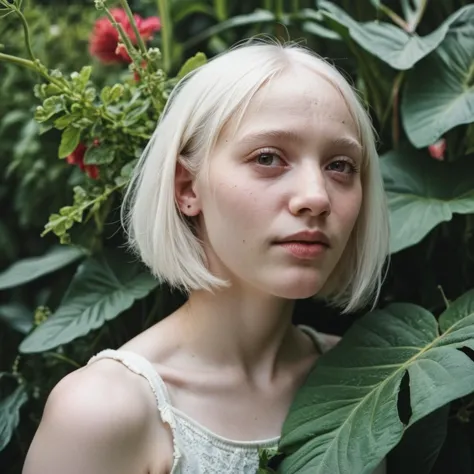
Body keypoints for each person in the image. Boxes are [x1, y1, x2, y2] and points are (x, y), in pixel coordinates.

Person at [22, 39, 389, 474]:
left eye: (341, 165)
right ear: (186, 188)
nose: (315, 197)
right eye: (268, 157)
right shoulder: (103, 412)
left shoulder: (362, 375)